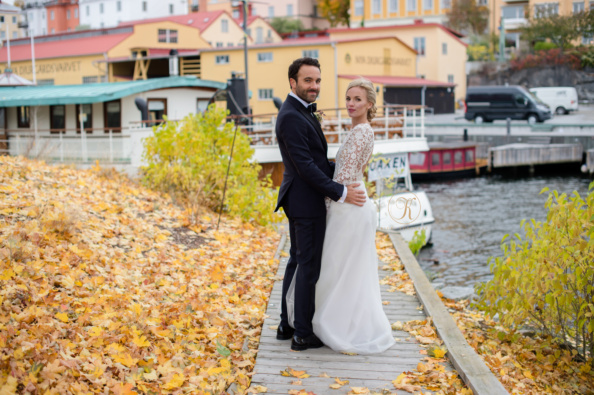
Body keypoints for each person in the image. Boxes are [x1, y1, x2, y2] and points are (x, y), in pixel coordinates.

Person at [274, 58, 367, 351]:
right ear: (293, 83)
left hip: (301, 197)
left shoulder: (299, 112)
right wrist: (340, 191)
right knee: (308, 266)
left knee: (298, 261)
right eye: (307, 81)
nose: (314, 87)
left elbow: (314, 160)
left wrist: (338, 166)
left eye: (317, 81)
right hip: (305, 201)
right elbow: (304, 166)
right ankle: (302, 333)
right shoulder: (290, 116)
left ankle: (286, 323)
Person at [312, 78, 395, 354]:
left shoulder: (361, 132)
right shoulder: (359, 129)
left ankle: (340, 327)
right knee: (347, 270)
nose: (351, 103)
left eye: (357, 99)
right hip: (352, 200)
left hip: (349, 205)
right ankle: (346, 322)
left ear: (369, 104)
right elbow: (345, 170)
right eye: (348, 98)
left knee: (340, 269)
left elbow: (345, 177)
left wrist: (326, 200)